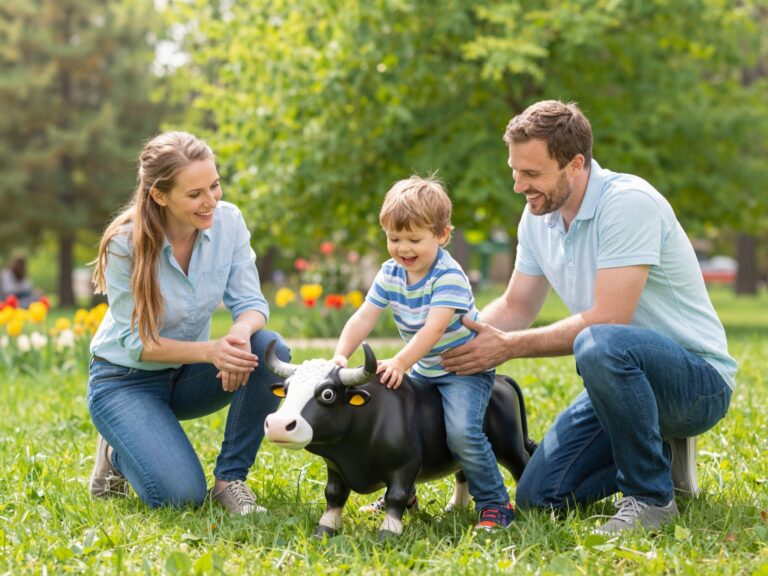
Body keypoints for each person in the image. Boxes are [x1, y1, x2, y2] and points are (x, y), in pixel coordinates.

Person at [441, 100, 737, 535]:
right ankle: (657, 456)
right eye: (514, 171)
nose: (519, 185)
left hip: (695, 384)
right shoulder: (537, 216)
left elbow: (609, 319)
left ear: (575, 164)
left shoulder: (628, 203)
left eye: (532, 174)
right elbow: (518, 305)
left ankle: (651, 498)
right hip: (619, 384)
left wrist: (507, 348)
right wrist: (446, 345)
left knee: (598, 342)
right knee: (538, 497)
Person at [87, 131, 290, 514]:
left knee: (268, 349)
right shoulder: (124, 243)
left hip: (187, 374)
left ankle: (231, 480)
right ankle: (117, 450)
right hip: (125, 381)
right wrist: (211, 352)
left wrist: (239, 336)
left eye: (214, 186)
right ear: (159, 196)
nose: (211, 200)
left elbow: (251, 304)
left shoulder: (228, 222)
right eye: (195, 194)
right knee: (180, 498)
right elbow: (137, 342)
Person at [332, 175, 515, 530]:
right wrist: (341, 354)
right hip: (425, 368)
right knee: (396, 421)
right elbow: (364, 317)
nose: (403, 248)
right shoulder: (391, 273)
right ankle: (404, 491)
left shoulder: (448, 276)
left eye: (415, 239)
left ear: (442, 235)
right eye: (394, 238)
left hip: (463, 370)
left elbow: (433, 329)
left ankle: (494, 502)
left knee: (462, 432)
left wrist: (401, 361)